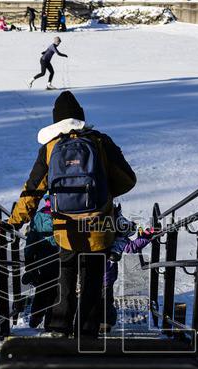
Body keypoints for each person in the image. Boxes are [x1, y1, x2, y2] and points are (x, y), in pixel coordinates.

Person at [8, 92, 137, 337]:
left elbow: (33, 189)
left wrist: (16, 220)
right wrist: (104, 192)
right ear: (81, 118)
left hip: (65, 227)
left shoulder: (50, 147)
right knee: (92, 279)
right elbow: (128, 179)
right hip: (99, 224)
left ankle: (58, 327)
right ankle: (87, 333)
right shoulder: (100, 142)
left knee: (65, 274)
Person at [101, 209, 156, 333]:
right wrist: (145, 237)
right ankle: (105, 323)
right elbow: (132, 247)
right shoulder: (119, 238)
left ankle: (93, 323)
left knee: (93, 299)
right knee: (105, 300)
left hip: (93, 274)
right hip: (106, 277)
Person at [22, 194, 59, 330]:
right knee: (57, 290)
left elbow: (31, 240)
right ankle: (51, 321)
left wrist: (29, 261)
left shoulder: (38, 217)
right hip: (61, 257)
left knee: (42, 288)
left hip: (43, 258)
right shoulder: (65, 215)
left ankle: (35, 317)